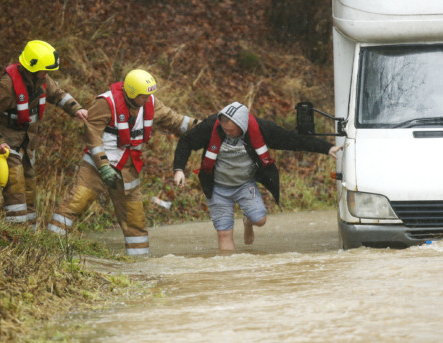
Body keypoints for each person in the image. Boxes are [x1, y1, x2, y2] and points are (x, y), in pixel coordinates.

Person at [47, 69, 199, 256]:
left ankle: (139, 265)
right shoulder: (105, 103)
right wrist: (103, 166)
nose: (148, 99)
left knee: (134, 220)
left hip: (128, 168)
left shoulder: (149, 102)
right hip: (96, 166)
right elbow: (92, 136)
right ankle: (49, 248)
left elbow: (174, 120)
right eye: (144, 96)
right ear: (132, 93)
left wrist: (203, 125)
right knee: (76, 203)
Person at [173, 101, 342, 252]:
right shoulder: (211, 126)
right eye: (225, 130)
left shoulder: (261, 128)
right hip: (217, 187)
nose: (227, 133)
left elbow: (292, 140)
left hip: (245, 184)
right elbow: (186, 142)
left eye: (231, 130)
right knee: (224, 234)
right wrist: (179, 169)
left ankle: (248, 221)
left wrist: (326, 148)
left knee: (260, 220)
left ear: (242, 126)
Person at [0, 40, 88, 228]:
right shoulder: (7, 85)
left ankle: (30, 231)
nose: (47, 74)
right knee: (15, 185)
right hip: (8, 142)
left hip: (28, 143)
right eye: (45, 70)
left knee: (29, 184)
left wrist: (77, 109)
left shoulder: (41, 79)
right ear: (31, 67)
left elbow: (59, 95)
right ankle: (16, 232)